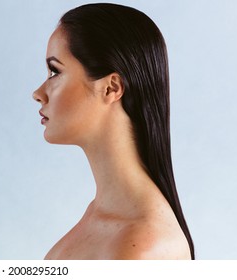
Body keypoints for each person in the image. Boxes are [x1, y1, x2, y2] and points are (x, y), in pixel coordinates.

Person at [32, 3, 194, 259]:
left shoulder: (144, 246)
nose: (38, 93)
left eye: (55, 71)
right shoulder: (98, 215)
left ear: (111, 88)